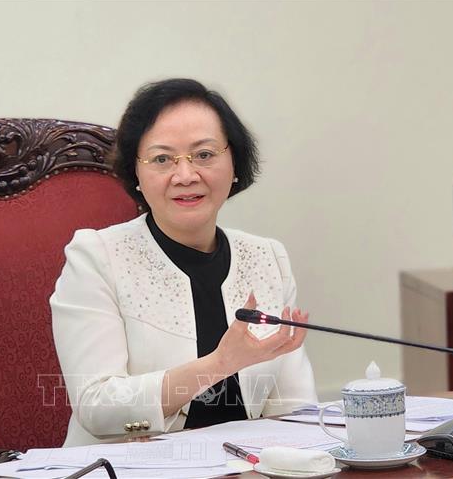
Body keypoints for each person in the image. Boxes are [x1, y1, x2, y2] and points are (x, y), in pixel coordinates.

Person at [50, 79, 317, 446]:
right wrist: (218, 365)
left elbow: (295, 410)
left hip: (246, 467)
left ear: (234, 163)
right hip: (130, 469)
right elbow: (97, 406)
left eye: (204, 155)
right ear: (136, 173)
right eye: (162, 159)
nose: (186, 175)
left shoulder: (268, 258)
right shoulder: (96, 258)